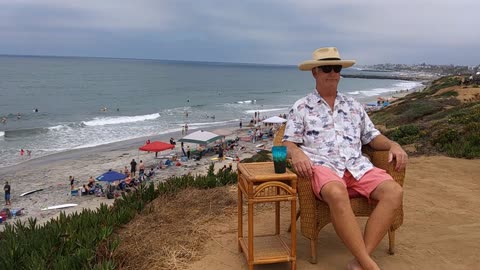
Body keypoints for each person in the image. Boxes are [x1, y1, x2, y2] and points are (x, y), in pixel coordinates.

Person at [282, 47, 407, 270]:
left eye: (336, 68)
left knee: (394, 191)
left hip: (357, 166)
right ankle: (370, 265)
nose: (332, 73)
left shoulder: (353, 106)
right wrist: (297, 152)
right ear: (315, 72)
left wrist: (393, 144)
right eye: (326, 68)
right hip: (323, 167)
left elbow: (372, 136)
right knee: (336, 192)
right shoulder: (301, 107)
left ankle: (360, 260)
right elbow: (288, 142)